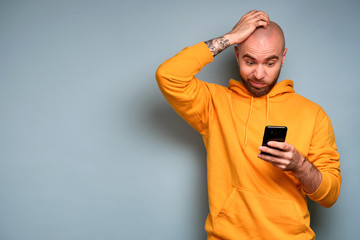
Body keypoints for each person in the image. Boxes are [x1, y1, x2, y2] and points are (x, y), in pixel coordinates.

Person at [156, 10, 341, 240]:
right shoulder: (214, 104)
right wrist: (230, 37)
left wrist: (299, 165)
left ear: (283, 58)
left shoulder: (313, 114)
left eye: (270, 62)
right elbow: (168, 76)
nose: (259, 73)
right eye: (250, 61)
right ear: (236, 55)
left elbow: (330, 196)